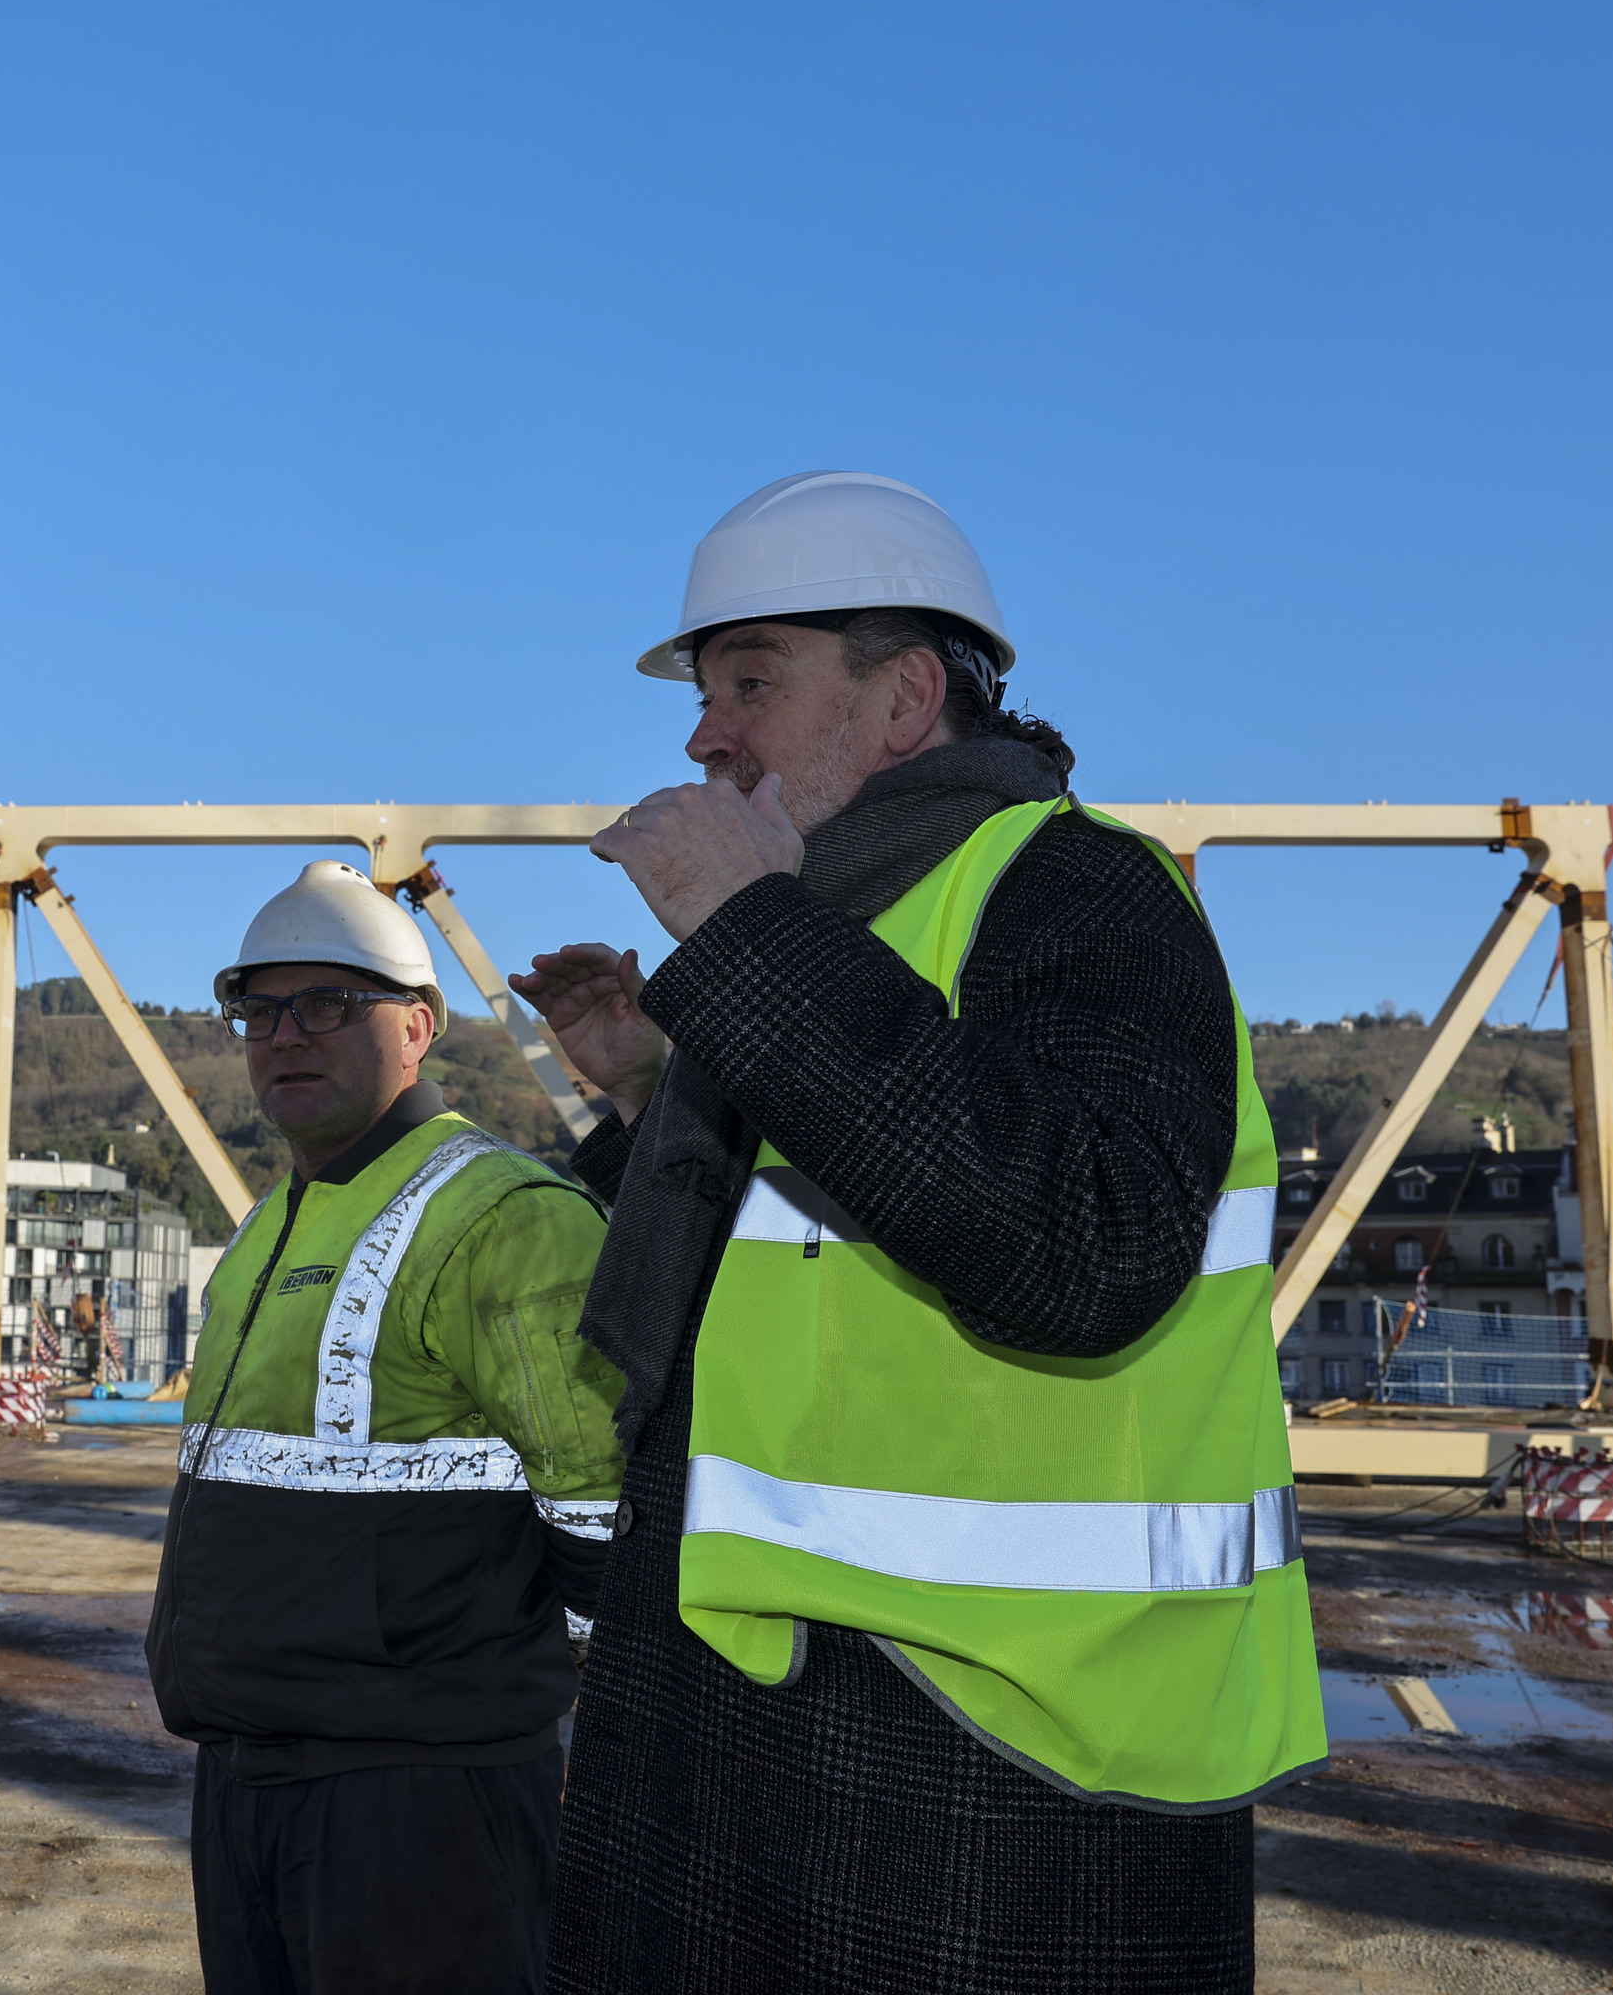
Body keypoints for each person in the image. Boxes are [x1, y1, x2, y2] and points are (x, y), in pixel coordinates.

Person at [517, 472, 1322, 1994]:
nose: (706, 733)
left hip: (993, 1776)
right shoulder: (855, 936)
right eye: (704, 692)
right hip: (755, 1731)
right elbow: (784, 1285)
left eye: (753, 679)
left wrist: (751, 944)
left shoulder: (1074, 883)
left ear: (905, 699)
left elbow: (1086, 1243)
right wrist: (646, 1101)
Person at [146, 860, 630, 1995]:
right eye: (259, 1010)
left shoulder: (505, 1215)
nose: (284, 1034)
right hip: (249, 1781)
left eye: (326, 1003)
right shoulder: (274, 1222)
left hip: (421, 1798)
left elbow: (607, 1515)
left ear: (416, 1025)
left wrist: (565, 1729)